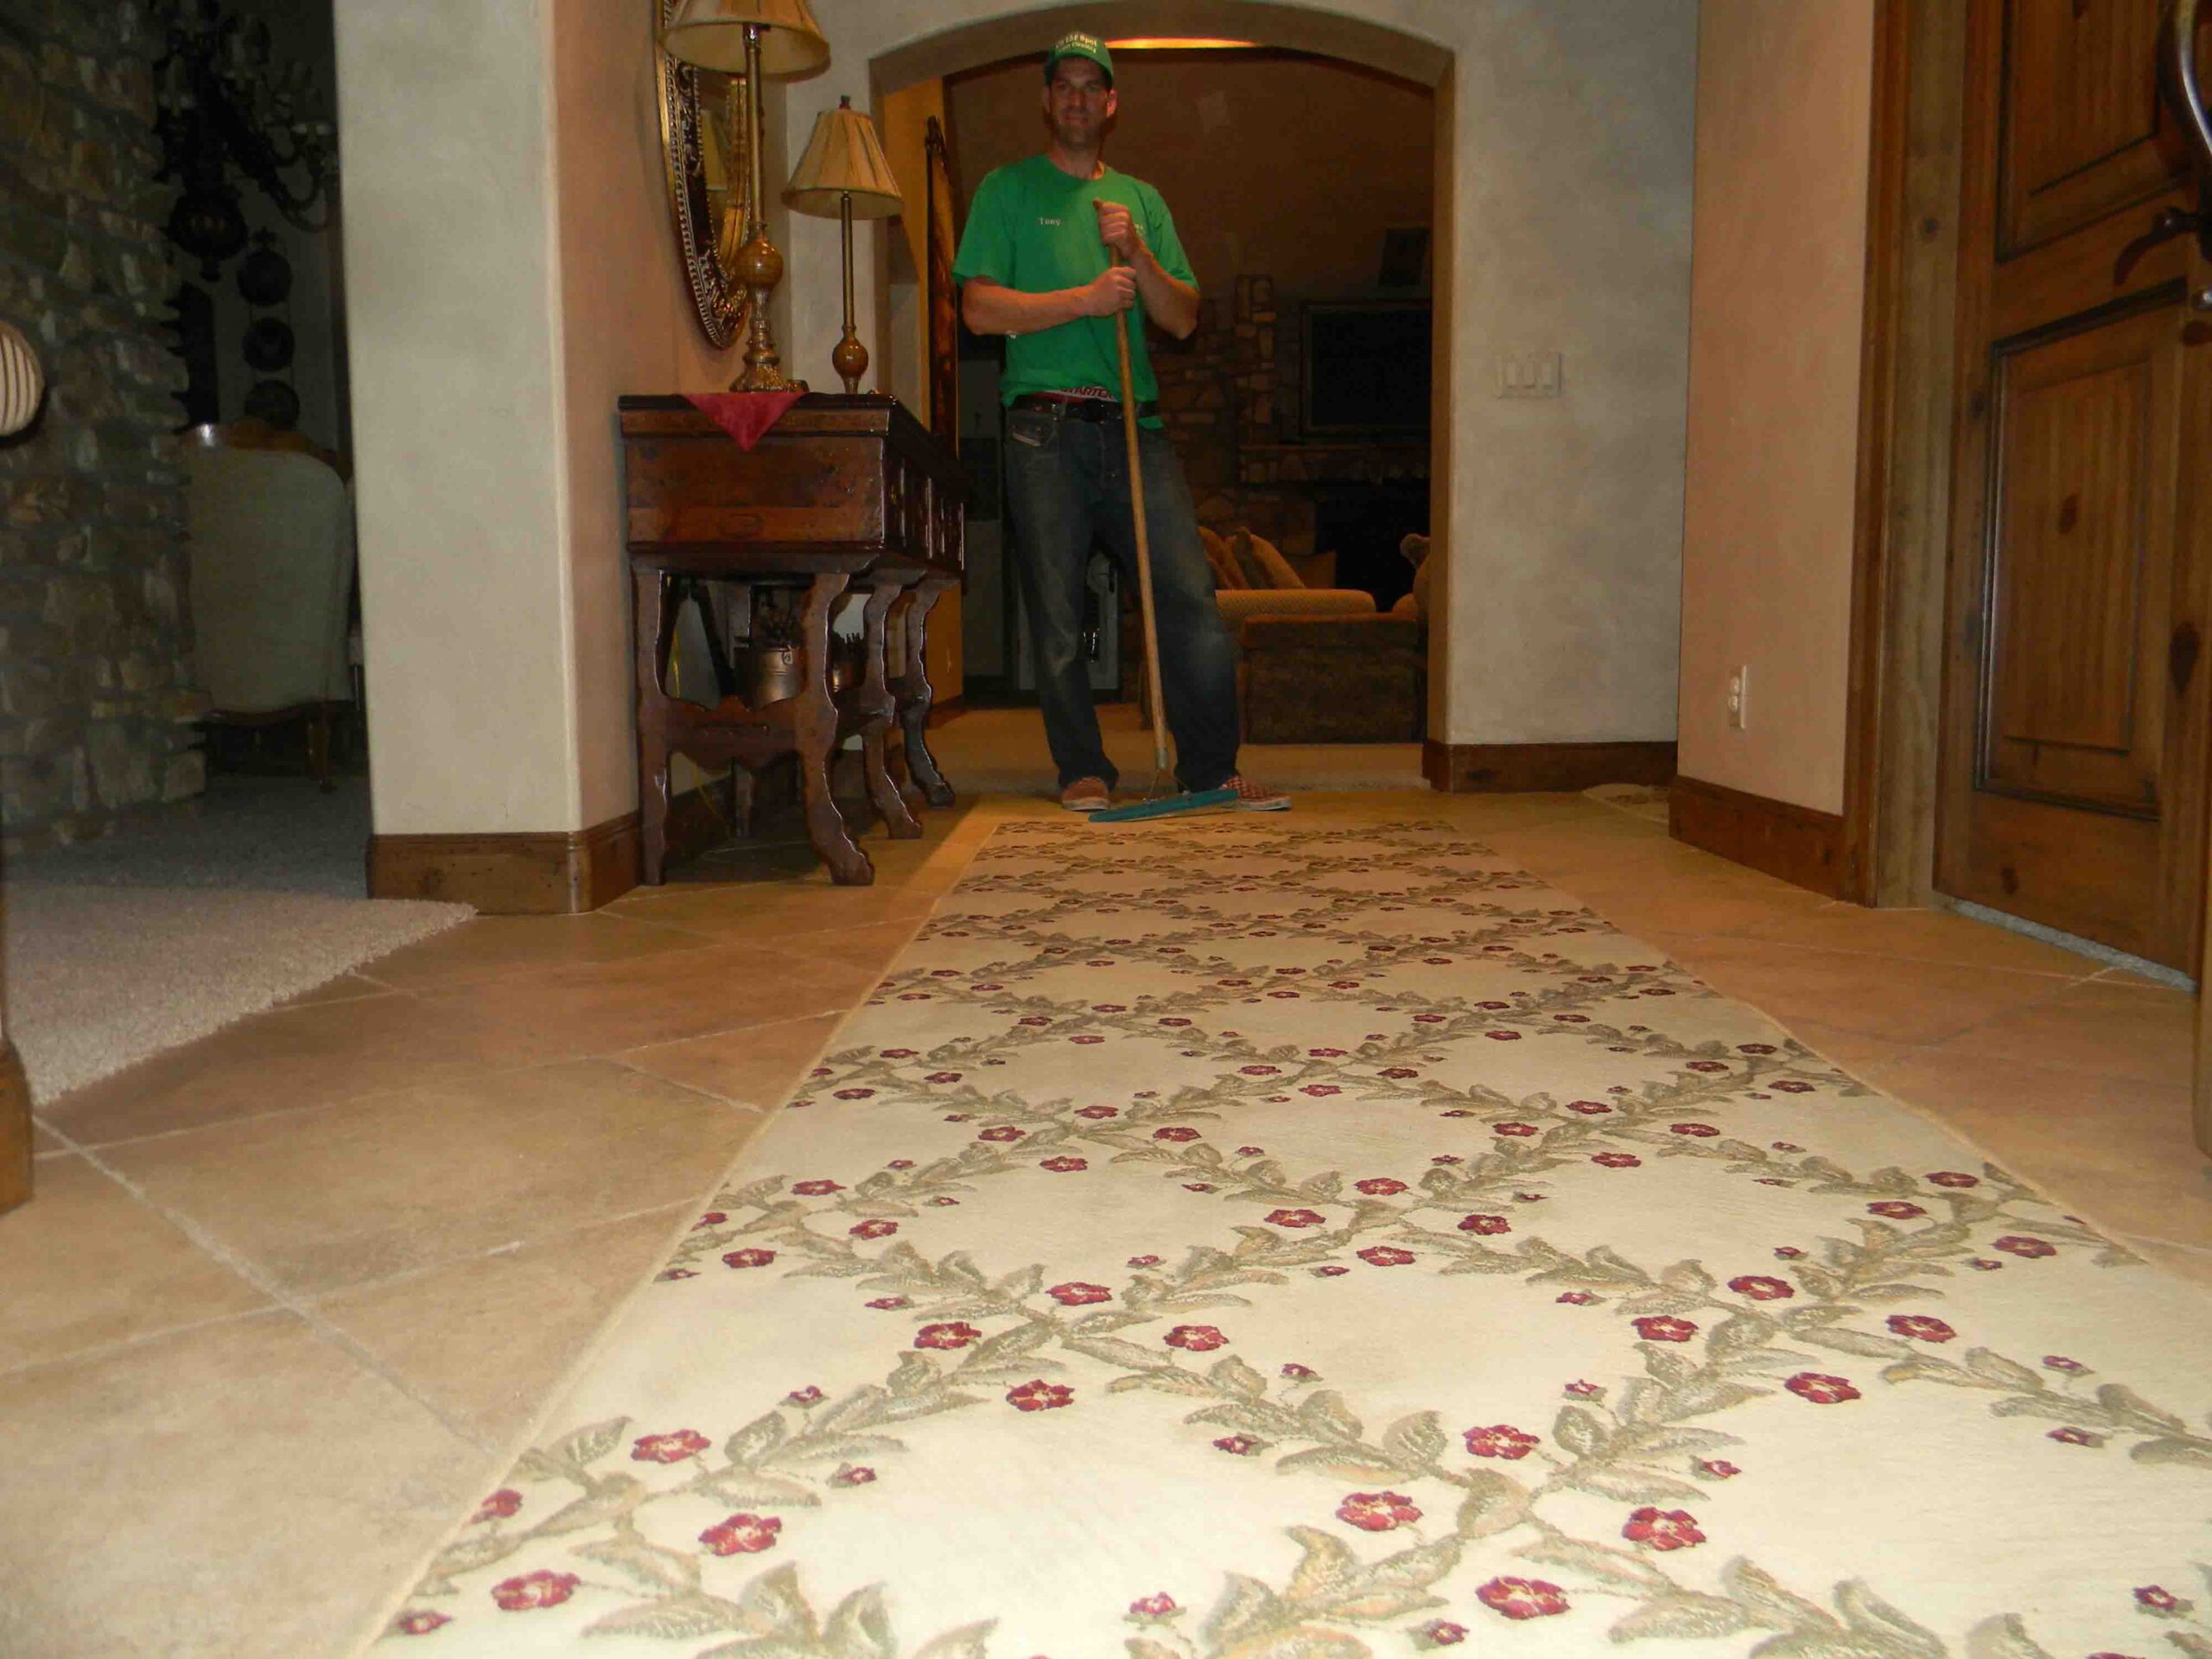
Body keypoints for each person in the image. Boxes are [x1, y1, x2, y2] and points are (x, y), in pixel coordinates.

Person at [950, 32, 1287, 814]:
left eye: (1089, 87)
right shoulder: (1007, 191)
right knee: (1060, 611)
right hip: (1042, 428)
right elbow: (978, 308)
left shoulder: (1141, 201)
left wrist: (1135, 252)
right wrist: (1085, 300)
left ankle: (1211, 770)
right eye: (1062, 85)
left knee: (1189, 600)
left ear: (1111, 105)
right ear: (1047, 101)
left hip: (1135, 427)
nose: (1075, 99)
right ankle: (1082, 770)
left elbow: (1182, 318)